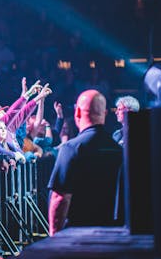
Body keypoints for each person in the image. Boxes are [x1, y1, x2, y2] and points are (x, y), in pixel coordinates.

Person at [47, 90, 122, 235]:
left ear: (78, 113)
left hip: (77, 233)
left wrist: (54, 238)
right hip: (113, 234)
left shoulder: (71, 148)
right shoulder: (118, 150)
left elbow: (60, 198)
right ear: (105, 114)